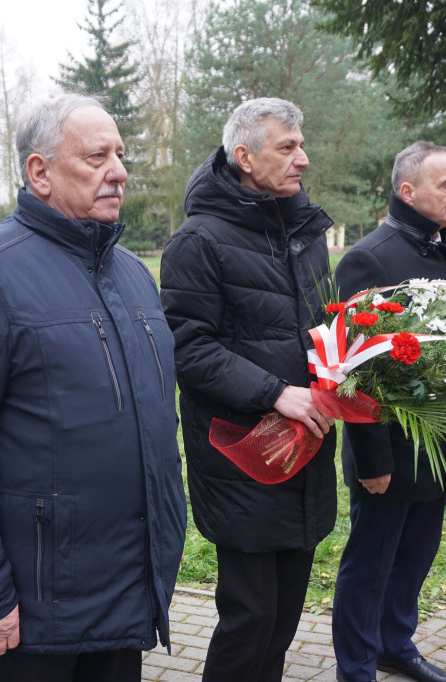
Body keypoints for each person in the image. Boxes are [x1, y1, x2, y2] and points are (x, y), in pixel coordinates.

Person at [0, 94, 187, 682]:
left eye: (121, 155)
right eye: (96, 156)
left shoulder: (132, 274)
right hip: (35, 604)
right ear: (40, 172)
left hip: (127, 585)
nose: (119, 171)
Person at [159, 97, 338, 682]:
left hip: (307, 446)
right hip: (242, 453)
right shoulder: (198, 241)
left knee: (284, 617)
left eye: (301, 144)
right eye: (287, 147)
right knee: (250, 617)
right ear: (244, 157)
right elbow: (188, 347)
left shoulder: (305, 231)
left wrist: (346, 371)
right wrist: (275, 393)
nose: (303, 159)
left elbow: (319, 325)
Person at [331, 142, 446, 682]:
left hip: (443, 438)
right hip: (392, 446)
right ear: (408, 192)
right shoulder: (370, 258)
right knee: (371, 563)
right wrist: (371, 460)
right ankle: (356, 666)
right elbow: (355, 367)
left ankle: (396, 644)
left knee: (418, 553)